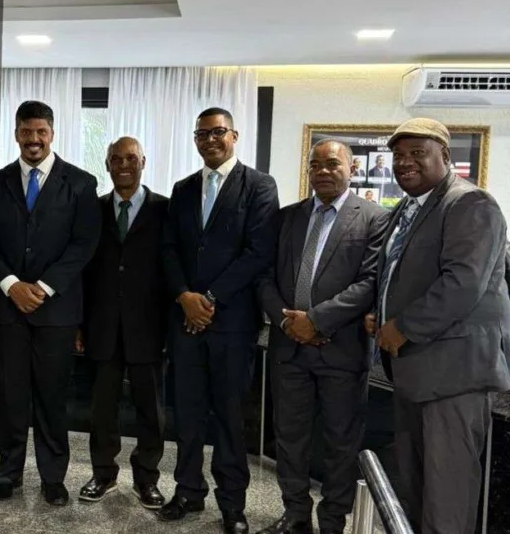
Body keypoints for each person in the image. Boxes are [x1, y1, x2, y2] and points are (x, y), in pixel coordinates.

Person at [365, 118, 510, 534]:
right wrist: (380, 312)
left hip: (453, 375)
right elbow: (401, 274)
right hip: (414, 371)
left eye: (417, 153)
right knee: (417, 489)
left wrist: (402, 326)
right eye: (398, 155)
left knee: (446, 497)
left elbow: (462, 283)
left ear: (445, 156)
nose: (404, 162)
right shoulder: (408, 209)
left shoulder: (470, 204)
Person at [256, 139, 389, 534]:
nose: (323, 171)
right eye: (315, 165)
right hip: (289, 349)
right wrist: (287, 323)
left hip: (341, 350)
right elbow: (264, 276)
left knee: (340, 443)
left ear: (352, 169)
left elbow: (369, 282)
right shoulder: (286, 217)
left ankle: (332, 521)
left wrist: (315, 321)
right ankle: (295, 514)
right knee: (289, 438)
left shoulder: (374, 218)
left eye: (332, 164)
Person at [159, 107, 279, 533]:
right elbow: (169, 248)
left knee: (229, 416)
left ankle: (232, 503)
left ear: (234, 136)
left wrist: (207, 300)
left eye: (218, 132)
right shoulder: (183, 188)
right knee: (187, 414)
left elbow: (258, 252)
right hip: (185, 322)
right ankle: (188, 491)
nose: (210, 140)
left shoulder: (259, 186)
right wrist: (184, 296)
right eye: (202, 134)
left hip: (232, 323)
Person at [0, 100, 101, 506]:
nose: (34, 139)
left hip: (57, 311)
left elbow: (84, 245)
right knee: (10, 396)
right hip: (7, 308)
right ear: (16, 134)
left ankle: (53, 478)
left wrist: (44, 287)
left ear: (52, 134)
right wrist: (11, 285)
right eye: (27, 132)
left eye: (41, 132)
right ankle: (8, 473)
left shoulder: (81, 184)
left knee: (51, 397)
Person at [76, 136, 169, 509]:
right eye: (117, 159)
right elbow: (83, 269)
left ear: (143, 162)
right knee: (102, 407)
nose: (124, 165)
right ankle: (103, 474)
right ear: (107, 165)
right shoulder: (93, 210)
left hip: (149, 326)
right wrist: (80, 323)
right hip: (102, 325)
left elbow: (172, 268)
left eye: (131, 158)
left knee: (151, 410)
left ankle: (147, 479)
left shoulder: (165, 209)